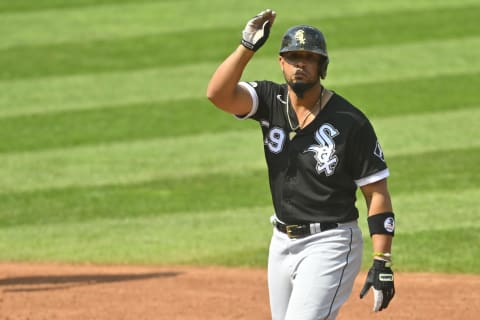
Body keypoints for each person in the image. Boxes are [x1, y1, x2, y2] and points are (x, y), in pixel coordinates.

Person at [206, 9, 395, 320]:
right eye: (293, 57)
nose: (300, 64)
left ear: (322, 67)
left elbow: (377, 193)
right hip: (281, 242)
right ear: (281, 62)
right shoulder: (269, 100)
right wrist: (247, 46)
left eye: (309, 58)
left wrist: (382, 261)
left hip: (331, 243)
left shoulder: (351, 123)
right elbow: (218, 95)